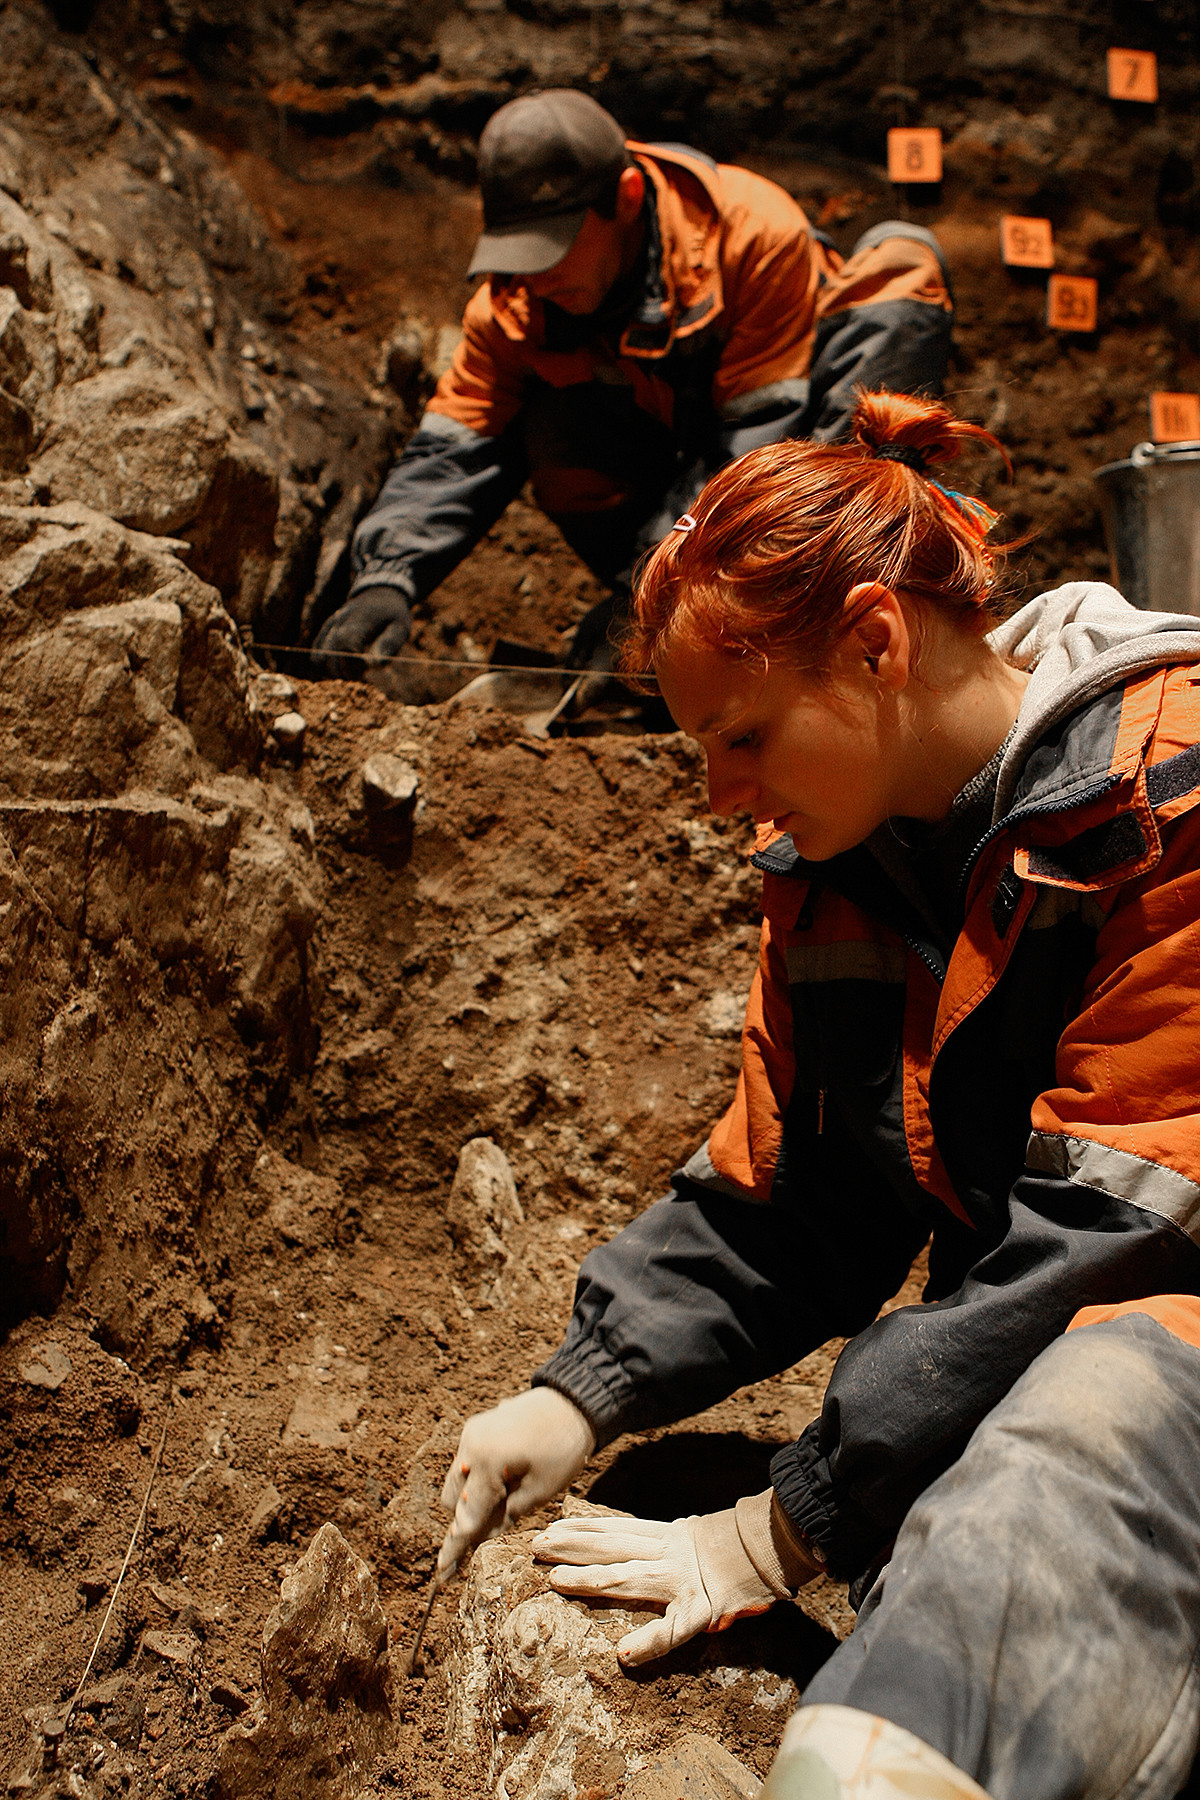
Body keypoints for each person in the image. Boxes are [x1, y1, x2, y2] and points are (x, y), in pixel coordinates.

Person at [434, 389, 1200, 1800]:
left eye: (744, 738)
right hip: (1059, 1337)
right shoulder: (846, 867)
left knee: (1061, 1461)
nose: (721, 797)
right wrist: (586, 1389)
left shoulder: (1173, 796)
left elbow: (1131, 1225)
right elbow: (796, 1195)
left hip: (1160, 1347)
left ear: (875, 641)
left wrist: (781, 1528)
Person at [314, 89, 953, 673]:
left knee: (900, 264)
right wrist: (387, 580)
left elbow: (758, 451)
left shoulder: (751, 234)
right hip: (670, 501)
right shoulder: (514, 306)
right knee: (546, 423)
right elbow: (453, 447)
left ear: (623, 198)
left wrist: (649, 601)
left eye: (552, 247)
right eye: (519, 251)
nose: (534, 278)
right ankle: (680, 640)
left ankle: (837, 612)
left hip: (791, 492)